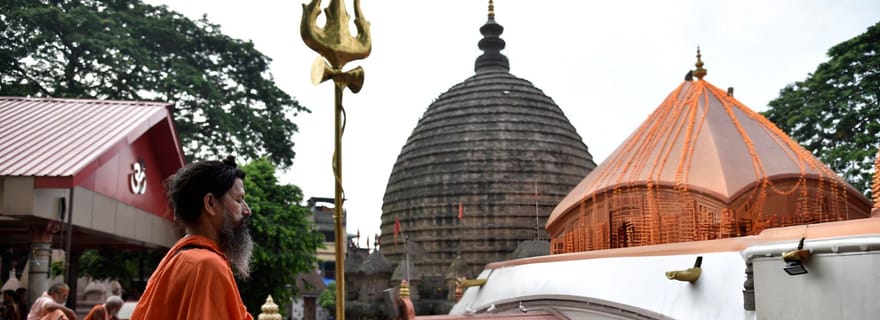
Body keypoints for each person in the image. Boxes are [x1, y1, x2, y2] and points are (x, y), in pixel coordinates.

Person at [131, 156, 254, 320]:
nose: (247, 211)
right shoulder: (208, 265)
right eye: (239, 200)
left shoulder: (176, 258)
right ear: (210, 203)